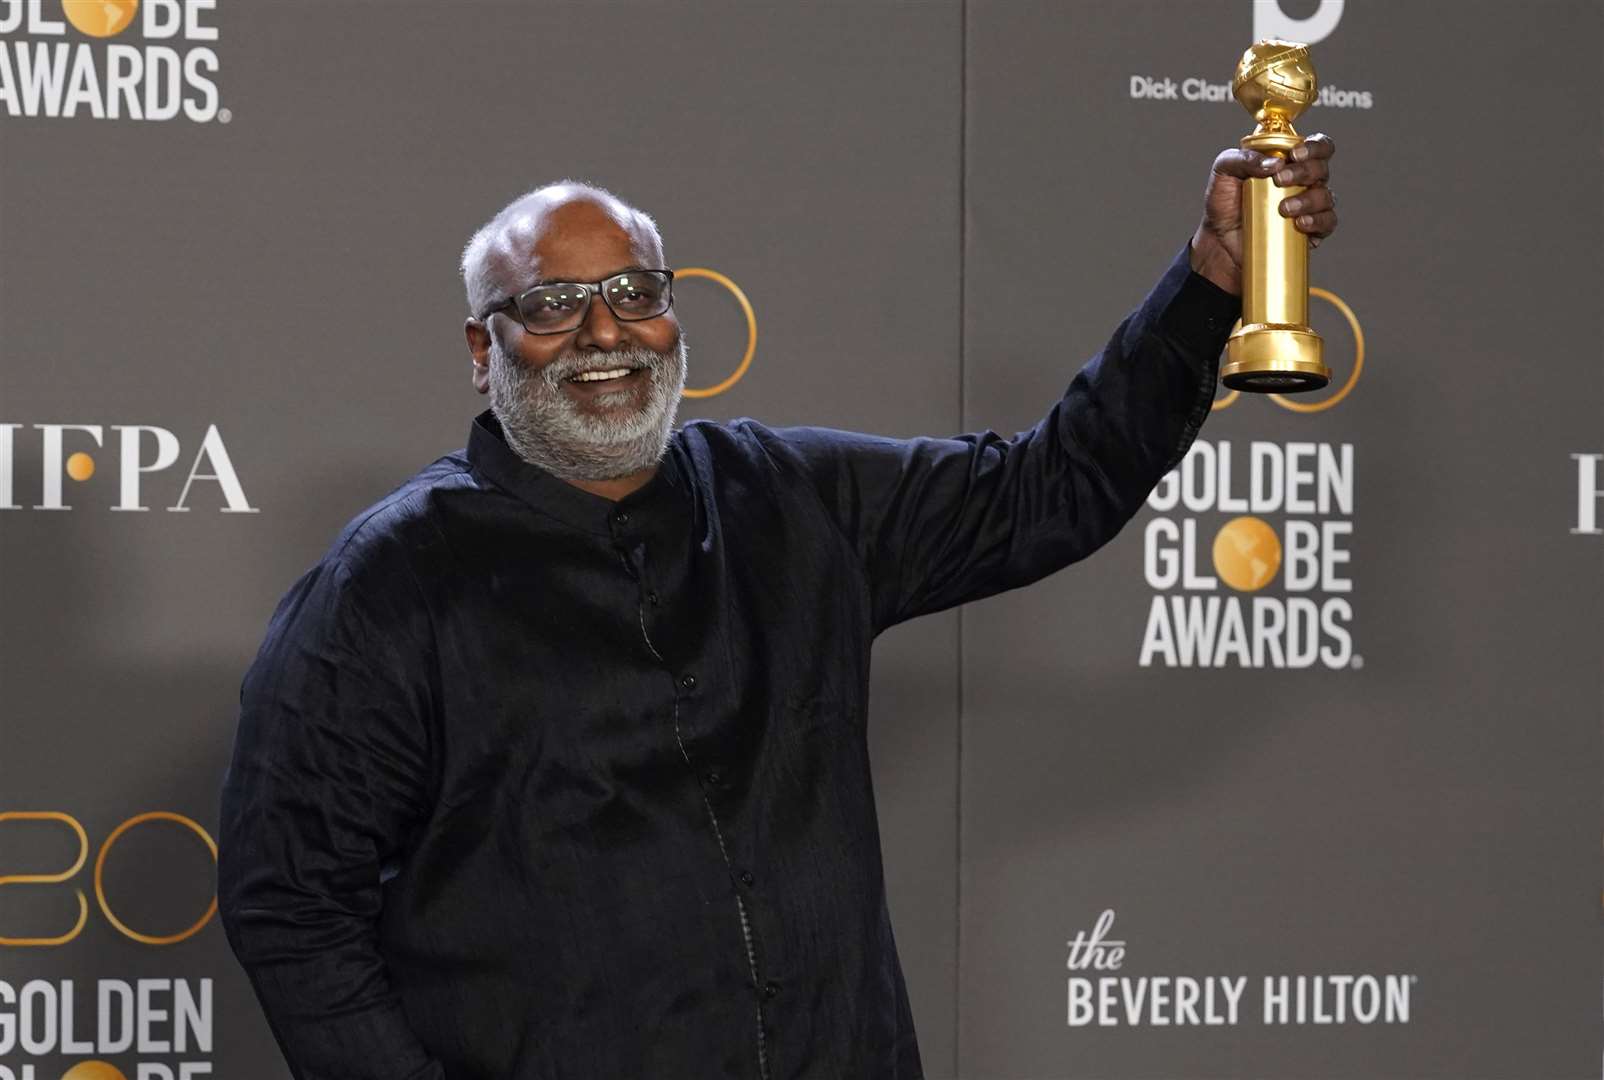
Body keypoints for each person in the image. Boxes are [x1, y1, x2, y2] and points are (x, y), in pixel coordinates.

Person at [218, 137, 1337, 1080]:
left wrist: (1210, 279)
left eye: (635, 294)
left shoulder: (795, 501)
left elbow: (1054, 486)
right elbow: (289, 904)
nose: (604, 333)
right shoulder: (387, 583)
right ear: (483, 348)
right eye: (551, 305)